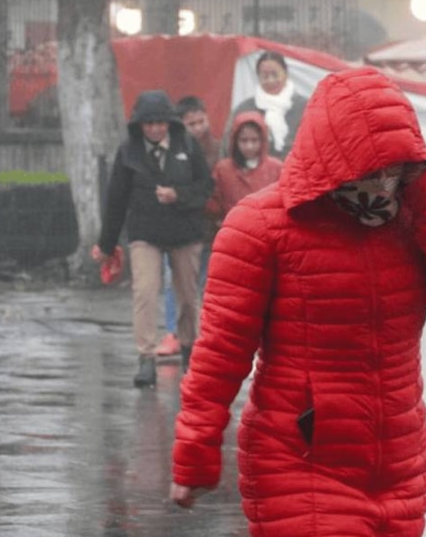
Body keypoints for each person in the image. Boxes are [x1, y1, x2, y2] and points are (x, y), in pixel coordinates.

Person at [169, 67, 426, 536]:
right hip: (301, 465)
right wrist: (195, 453)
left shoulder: (411, 218)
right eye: (373, 164)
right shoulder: (260, 227)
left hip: (400, 468)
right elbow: (220, 353)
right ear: (335, 151)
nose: (385, 181)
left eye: (397, 164)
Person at [90, 90, 213, 387]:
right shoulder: (128, 152)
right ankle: (146, 358)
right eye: (149, 123)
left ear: (169, 122)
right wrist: (106, 245)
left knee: (187, 296)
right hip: (145, 232)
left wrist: (179, 195)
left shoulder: (187, 144)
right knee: (145, 291)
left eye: (161, 122)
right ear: (139, 125)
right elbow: (116, 200)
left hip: (185, 232)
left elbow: (205, 187)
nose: (155, 129)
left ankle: (188, 350)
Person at [154, 96, 224, 357]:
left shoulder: (220, 149)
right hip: (179, 227)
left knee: (206, 284)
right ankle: (174, 333)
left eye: (201, 121)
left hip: (212, 228)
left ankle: (203, 334)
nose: (198, 127)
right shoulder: (170, 151)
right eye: (190, 123)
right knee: (175, 283)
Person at [226, 51, 308, 160]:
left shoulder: (306, 107)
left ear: (285, 73)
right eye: (265, 76)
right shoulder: (245, 109)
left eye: (275, 74)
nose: (270, 80)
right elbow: (228, 148)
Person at [205, 110, 283, 223]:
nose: (249, 146)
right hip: (235, 229)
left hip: (267, 229)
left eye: (254, 140)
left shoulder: (276, 168)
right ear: (234, 141)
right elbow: (214, 204)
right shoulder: (223, 169)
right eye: (244, 140)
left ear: (263, 140)